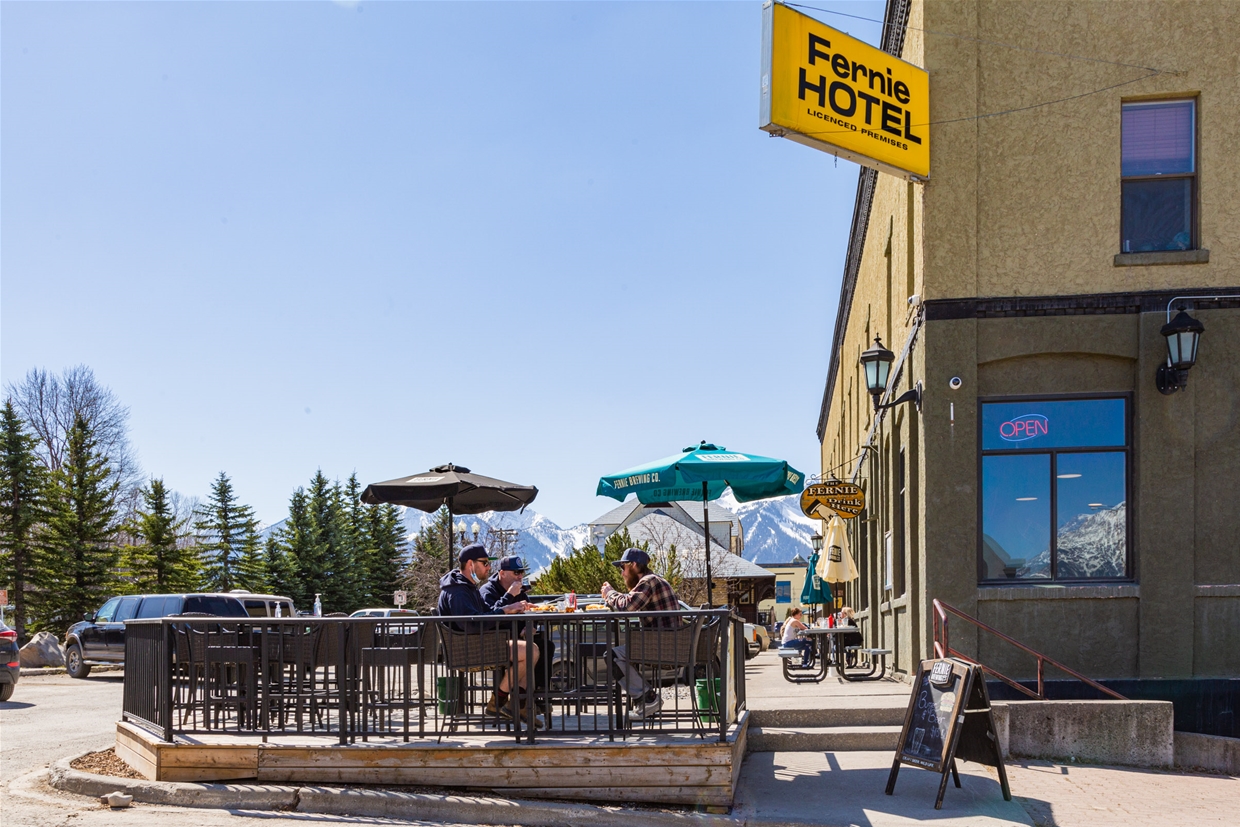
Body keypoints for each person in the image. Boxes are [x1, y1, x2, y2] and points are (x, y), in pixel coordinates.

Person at [437, 543, 541, 727]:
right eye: (484, 563)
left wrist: (509, 607)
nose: (488, 567)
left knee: (530, 653)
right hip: (470, 650)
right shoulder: (458, 591)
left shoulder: (467, 587)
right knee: (530, 651)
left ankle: (517, 708)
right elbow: (471, 625)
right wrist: (505, 610)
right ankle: (498, 703)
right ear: (470, 564)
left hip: (478, 643)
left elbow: (486, 612)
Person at [600, 548, 682, 720]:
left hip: (663, 649)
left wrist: (609, 593)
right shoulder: (655, 581)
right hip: (669, 646)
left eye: (623, 568)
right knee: (620, 654)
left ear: (634, 565)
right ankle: (644, 700)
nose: (622, 573)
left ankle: (647, 698)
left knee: (613, 656)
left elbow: (626, 606)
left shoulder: (648, 581)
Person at [479, 555, 555, 700]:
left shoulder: (521, 591)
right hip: (498, 642)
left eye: (522, 572)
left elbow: (531, 611)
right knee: (530, 651)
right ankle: (517, 700)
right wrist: (509, 595)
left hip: (520, 638)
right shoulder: (488, 591)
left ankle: (539, 697)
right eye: (516, 572)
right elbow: (489, 616)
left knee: (546, 646)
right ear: (502, 573)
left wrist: (531, 626)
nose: (520, 576)